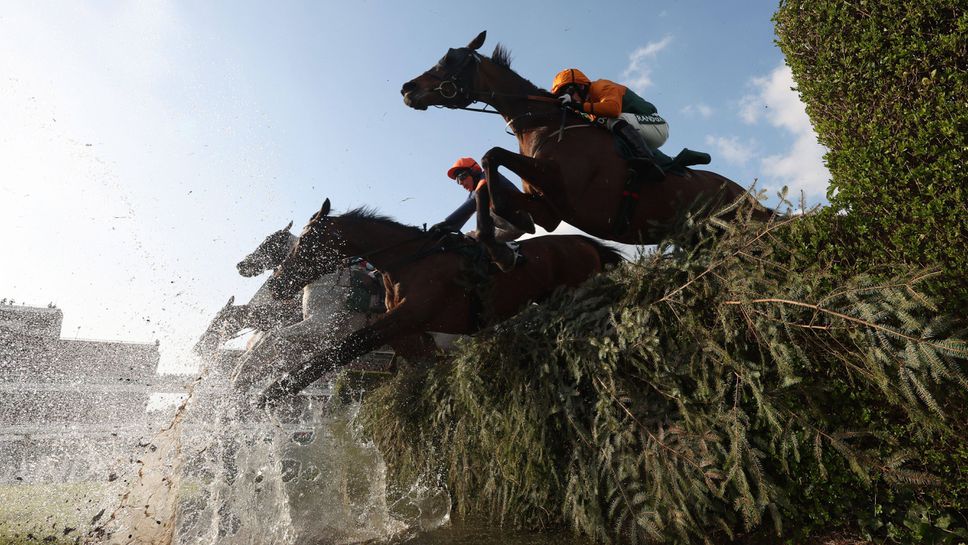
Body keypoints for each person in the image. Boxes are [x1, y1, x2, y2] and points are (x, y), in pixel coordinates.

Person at [551, 68, 668, 181]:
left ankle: (648, 161)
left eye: (567, 92)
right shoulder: (585, 103)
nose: (568, 98)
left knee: (606, 119)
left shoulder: (601, 86)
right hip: (636, 128)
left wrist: (578, 106)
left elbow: (613, 110)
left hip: (656, 125)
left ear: (580, 86)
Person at [430, 157, 525, 243]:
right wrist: (447, 229)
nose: (461, 183)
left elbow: (471, 204)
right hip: (510, 223)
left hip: (520, 221)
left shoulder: (487, 178)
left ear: (473, 172)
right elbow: (465, 213)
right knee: (469, 237)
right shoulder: (474, 193)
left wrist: (445, 223)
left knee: (479, 233)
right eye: (458, 181)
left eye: (461, 177)